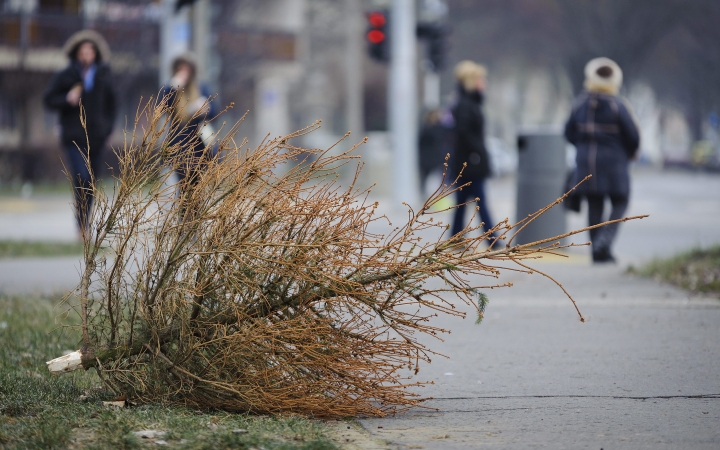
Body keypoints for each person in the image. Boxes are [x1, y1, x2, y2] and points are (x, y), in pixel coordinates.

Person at [564, 57, 640, 263]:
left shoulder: (580, 104)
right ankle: (603, 244)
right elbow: (633, 137)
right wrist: (627, 152)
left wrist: (583, 144)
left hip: (586, 162)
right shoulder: (618, 106)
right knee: (620, 201)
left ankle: (596, 251)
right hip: (614, 163)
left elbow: (568, 132)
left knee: (594, 205)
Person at [43, 30, 117, 237]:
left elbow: (113, 105)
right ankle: (80, 224)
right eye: (82, 51)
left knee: (91, 182)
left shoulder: (103, 75)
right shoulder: (66, 75)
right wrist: (67, 99)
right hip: (73, 136)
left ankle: (84, 225)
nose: (86, 55)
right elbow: (48, 100)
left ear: (96, 53)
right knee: (81, 177)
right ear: (76, 53)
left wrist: (107, 128)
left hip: (96, 137)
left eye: (90, 51)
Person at [450, 60, 499, 244]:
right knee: (480, 202)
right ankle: (492, 239)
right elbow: (464, 133)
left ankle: (455, 238)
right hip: (470, 162)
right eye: (481, 79)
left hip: (468, 162)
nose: (484, 82)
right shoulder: (466, 104)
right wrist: (478, 152)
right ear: (472, 80)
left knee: (462, 203)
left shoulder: (468, 102)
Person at [160, 53, 217, 198]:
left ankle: (194, 217)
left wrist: (205, 109)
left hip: (198, 143)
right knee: (183, 183)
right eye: (181, 69)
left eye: (187, 69)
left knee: (197, 184)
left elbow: (215, 112)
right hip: (179, 142)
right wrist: (173, 88)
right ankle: (184, 217)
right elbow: (161, 109)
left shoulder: (201, 88)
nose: (184, 73)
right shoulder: (171, 88)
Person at [418, 108, 449, 195]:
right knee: (429, 181)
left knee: (432, 181)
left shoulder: (428, 128)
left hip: (433, 159)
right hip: (429, 159)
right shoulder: (431, 129)